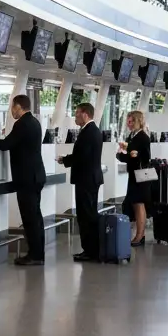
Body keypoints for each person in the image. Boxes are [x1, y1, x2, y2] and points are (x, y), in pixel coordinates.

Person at [0, 94, 47, 266]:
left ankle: (34, 255)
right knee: (36, 216)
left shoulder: (22, 123)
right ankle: (38, 252)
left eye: (12, 108)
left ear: (18, 106)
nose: (11, 111)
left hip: (26, 178)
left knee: (30, 217)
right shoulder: (35, 122)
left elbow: (7, 144)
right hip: (36, 175)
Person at [60, 102, 104, 261]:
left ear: (85, 114)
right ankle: (93, 248)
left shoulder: (88, 132)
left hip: (86, 179)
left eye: (77, 113)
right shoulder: (93, 131)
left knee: (86, 215)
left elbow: (82, 156)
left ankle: (90, 250)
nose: (75, 117)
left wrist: (64, 160)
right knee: (89, 213)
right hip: (91, 178)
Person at [117, 109, 151, 246]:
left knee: (139, 204)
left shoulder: (142, 137)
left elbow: (141, 157)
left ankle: (140, 235)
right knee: (135, 204)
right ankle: (139, 234)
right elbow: (131, 154)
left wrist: (122, 156)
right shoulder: (133, 136)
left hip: (140, 176)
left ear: (138, 121)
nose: (129, 124)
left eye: (131, 121)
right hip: (134, 175)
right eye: (128, 121)